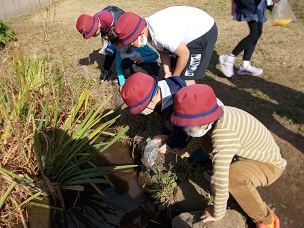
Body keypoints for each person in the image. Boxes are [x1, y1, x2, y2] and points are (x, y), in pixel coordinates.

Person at [169, 84, 286, 228]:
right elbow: (198, 137)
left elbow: (219, 179)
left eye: (187, 126)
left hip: (268, 164)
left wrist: (217, 212)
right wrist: (184, 152)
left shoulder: (224, 134)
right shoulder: (213, 116)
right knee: (205, 139)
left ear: (204, 121)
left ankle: (267, 220)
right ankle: (227, 170)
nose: (185, 129)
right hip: (244, 153)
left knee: (231, 176)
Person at [114, 6, 218, 85]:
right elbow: (163, 52)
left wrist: (175, 77)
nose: (131, 47)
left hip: (202, 31)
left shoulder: (159, 35)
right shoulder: (147, 31)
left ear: (140, 34)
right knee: (174, 67)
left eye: (131, 44)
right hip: (183, 33)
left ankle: (194, 107)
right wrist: (168, 73)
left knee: (186, 77)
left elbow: (184, 54)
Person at [219, 0, 280, 77]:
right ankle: (228, 58)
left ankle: (245, 64)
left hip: (258, 4)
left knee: (257, 33)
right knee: (255, 34)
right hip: (252, 3)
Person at [76, 6, 125, 82]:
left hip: (121, 25)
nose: (92, 36)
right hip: (109, 29)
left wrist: (112, 37)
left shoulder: (108, 18)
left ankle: (121, 72)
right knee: (109, 50)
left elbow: (118, 29)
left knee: (120, 49)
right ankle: (107, 69)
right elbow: (103, 31)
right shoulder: (96, 21)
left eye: (92, 34)